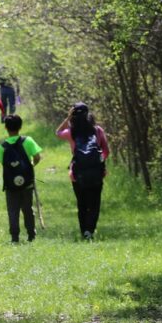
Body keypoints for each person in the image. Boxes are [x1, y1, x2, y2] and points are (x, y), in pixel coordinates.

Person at [56, 102, 110, 240]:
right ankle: (89, 231)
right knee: (94, 203)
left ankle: (83, 231)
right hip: (97, 173)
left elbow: (58, 133)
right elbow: (106, 151)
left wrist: (67, 118)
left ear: (73, 115)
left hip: (77, 173)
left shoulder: (71, 132)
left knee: (82, 204)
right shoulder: (97, 130)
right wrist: (98, 160)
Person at [0, 115, 43, 243]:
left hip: (10, 185)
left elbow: (3, 163)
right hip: (27, 183)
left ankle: (14, 237)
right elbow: (37, 157)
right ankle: (31, 234)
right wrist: (30, 167)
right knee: (27, 208)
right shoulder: (28, 141)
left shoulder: (3, 146)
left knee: (13, 211)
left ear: (6, 128)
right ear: (20, 126)